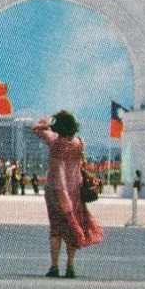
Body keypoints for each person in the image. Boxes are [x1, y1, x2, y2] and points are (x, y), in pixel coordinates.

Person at [33, 111, 103, 277]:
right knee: (73, 226)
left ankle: (54, 266)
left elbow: (36, 128)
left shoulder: (55, 141)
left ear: (59, 126)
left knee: (56, 229)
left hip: (55, 190)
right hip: (74, 190)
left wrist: (49, 121)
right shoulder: (80, 143)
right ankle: (70, 266)